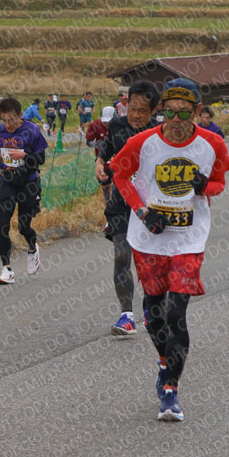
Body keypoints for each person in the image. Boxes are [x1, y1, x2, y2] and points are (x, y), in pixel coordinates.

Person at [111, 78, 229, 422]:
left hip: (188, 238)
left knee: (177, 312)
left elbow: (220, 182)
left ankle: (170, 390)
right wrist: (141, 211)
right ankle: (164, 361)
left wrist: (205, 186)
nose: (176, 120)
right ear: (161, 111)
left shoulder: (212, 143)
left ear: (197, 111)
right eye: (170, 112)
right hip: (149, 237)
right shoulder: (142, 142)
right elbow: (119, 175)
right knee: (155, 314)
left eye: (184, 113)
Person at [94, 80, 159, 336]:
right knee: (121, 255)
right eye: (132, 108)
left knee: (149, 262)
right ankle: (127, 316)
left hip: (151, 206)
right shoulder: (117, 125)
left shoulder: (160, 134)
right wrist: (100, 162)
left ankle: (151, 307)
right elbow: (108, 147)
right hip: (121, 203)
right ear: (125, 104)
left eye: (143, 111)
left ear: (153, 111)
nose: (136, 115)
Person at [0, 98, 47, 284]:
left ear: (20, 115)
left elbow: (41, 159)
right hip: (7, 181)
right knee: (3, 223)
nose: (8, 125)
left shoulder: (32, 130)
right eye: (4, 120)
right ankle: (6, 269)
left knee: (23, 227)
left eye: (11, 120)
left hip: (28, 183)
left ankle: (32, 248)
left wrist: (24, 155)